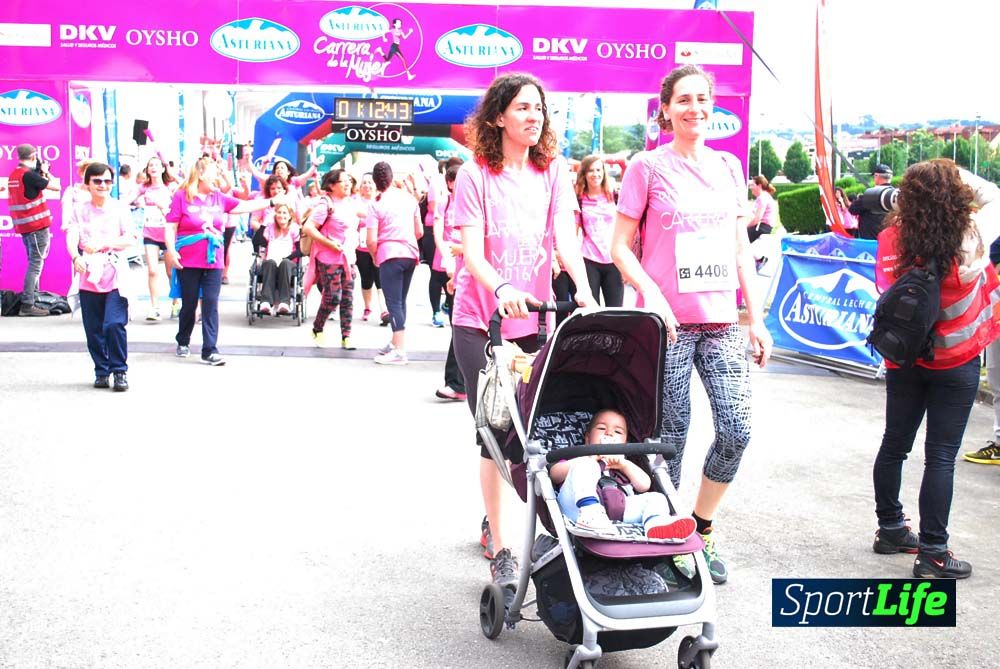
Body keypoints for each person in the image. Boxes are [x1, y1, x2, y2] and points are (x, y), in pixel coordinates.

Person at [610, 64, 772, 585]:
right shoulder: (646, 167)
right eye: (684, 100)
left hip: (722, 321)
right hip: (667, 325)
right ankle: (664, 534)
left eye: (703, 99)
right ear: (666, 109)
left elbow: (740, 249)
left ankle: (701, 526)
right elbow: (619, 247)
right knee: (670, 439)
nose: (695, 108)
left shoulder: (728, 166)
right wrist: (652, 294)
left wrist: (758, 319)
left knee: (737, 429)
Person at [451, 73, 596, 587]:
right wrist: (502, 285)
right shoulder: (475, 175)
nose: (534, 116)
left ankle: (556, 528)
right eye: (523, 108)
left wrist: (582, 285)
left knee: (535, 430)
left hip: (537, 318)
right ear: (497, 118)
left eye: (540, 108)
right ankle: (504, 544)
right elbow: (471, 253)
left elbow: (564, 237)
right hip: (481, 321)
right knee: (496, 431)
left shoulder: (552, 170)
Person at [871, 160, 1000, 579]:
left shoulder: (891, 236)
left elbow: (883, 289)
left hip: (904, 359)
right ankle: (933, 554)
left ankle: (890, 528)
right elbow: (993, 196)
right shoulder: (970, 238)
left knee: (895, 444)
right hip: (957, 359)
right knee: (940, 457)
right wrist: (956, 176)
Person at [165, 156, 290, 366]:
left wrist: (271, 201)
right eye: (215, 172)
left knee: (211, 304)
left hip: (213, 259)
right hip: (189, 259)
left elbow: (244, 205)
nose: (219, 177)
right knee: (189, 304)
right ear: (202, 174)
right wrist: (171, 251)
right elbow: (170, 227)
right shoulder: (182, 196)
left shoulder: (219, 198)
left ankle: (210, 349)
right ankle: (183, 339)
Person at [551, 408, 696, 540]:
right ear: (588, 438)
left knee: (656, 498)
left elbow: (644, 485)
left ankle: (655, 524)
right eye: (602, 428)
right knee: (587, 466)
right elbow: (554, 474)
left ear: (626, 443)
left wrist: (624, 464)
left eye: (618, 432)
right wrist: (590, 457)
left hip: (617, 512)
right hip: (576, 509)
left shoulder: (623, 465)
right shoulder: (578, 459)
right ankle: (590, 511)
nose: (609, 433)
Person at [63, 162, 136, 391]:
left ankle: (119, 370)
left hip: (114, 272)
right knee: (93, 328)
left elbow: (130, 238)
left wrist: (105, 243)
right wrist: (75, 257)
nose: (102, 185)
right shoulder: (79, 209)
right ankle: (101, 370)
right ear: (88, 184)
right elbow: (72, 236)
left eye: (107, 181)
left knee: (113, 324)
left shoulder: (119, 208)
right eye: (97, 181)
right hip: (88, 274)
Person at [366, 161, 422, 364]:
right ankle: (394, 342)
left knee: (394, 303)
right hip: (409, 254)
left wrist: (374, 254)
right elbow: (419, 232)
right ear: (391, 177)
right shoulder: (409, 199)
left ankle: (400, 351)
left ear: (375, 181)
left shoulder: (376, 204)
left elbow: (371, 239)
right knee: (400, 301)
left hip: (389, 254)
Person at [305, 169, 364, 350]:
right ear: (331, 185)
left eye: (349, 181)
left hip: (348, 257)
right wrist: (328, 243)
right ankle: (317, 327)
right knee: (333, 297)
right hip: (328, 257)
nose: (347, 184)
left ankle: (346, 336)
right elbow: (309, 228)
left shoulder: (352, 203)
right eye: (343, 181)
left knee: (347, 298)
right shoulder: (326, 204)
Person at [7, 144, 60, 316]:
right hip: (37, 227)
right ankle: (28, 304)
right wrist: (44, 170)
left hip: (25, 227)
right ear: (33, 156)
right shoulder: (29, 175)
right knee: (35, 264)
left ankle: (33, 299)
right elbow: (55, 186)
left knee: (33, 262)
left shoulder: (14, 175)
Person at [434, 163, 467, 402]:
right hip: (462, 272)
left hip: (478, 276)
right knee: (461, 327)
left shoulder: (479, 205)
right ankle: (458, 383)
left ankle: (460, 383)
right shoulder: (447, 203)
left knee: (464, 328)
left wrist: (460, 250)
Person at [575, 155, 623, 307]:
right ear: (584, 174)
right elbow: (573, 230)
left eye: (598, 169)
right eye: (590, 170)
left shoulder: (614, 195)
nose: (595, 174)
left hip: (613, 259)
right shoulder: (579, 199)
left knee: (616, 311)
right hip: (590, 259)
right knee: (590, 311)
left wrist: (607, 158)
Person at [137, 156, 178, 321]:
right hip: (150, 233)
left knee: (170, 272)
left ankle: (176, 302)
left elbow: (187, 186)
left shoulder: (171, 187)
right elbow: (125, 200)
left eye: (156, 165)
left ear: (162, 168)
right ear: (147, 170)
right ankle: (154, 307)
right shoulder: (143, 188)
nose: (153, 168)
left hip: (168, 233)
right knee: (152, 270)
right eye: (150, 165)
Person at [353, 172, 389, 325]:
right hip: (361, 248)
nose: (367, 186)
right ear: (360, 187)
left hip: (378, 245)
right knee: (366, 279)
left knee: (380, 278)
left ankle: (384, 310)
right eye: (364, 183)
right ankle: (368, 307)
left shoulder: (382, 201)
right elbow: (353, 214)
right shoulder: (354, 201)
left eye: (370, 183)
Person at [257, 203, 300, 315]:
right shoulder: (270, 227)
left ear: (290, 215)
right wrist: (263, 224)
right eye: (279, 212)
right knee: (270, 263)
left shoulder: (294, 228)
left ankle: (284, 303)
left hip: (288, 262)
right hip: (271, 260)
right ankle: (265, 302)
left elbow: (300, 250)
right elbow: (257, 242)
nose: (281, 215)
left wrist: (287, 257)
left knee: (285, 263)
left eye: (284, 212)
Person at [850, 163, 893, 240]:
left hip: (871, 241)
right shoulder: (896, 195)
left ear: (877, 176)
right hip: (889, 240)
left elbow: (852, 209)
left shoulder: (871, 195)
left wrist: (859, 198)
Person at [747, 175, 777, 244]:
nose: (750, 188)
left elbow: (757, 219)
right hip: (764, 227)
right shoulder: (765, 196)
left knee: (739, 236)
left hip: (762, 228)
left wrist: (745, 227)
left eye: (752, 185)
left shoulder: (762, 197)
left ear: (759, 186)